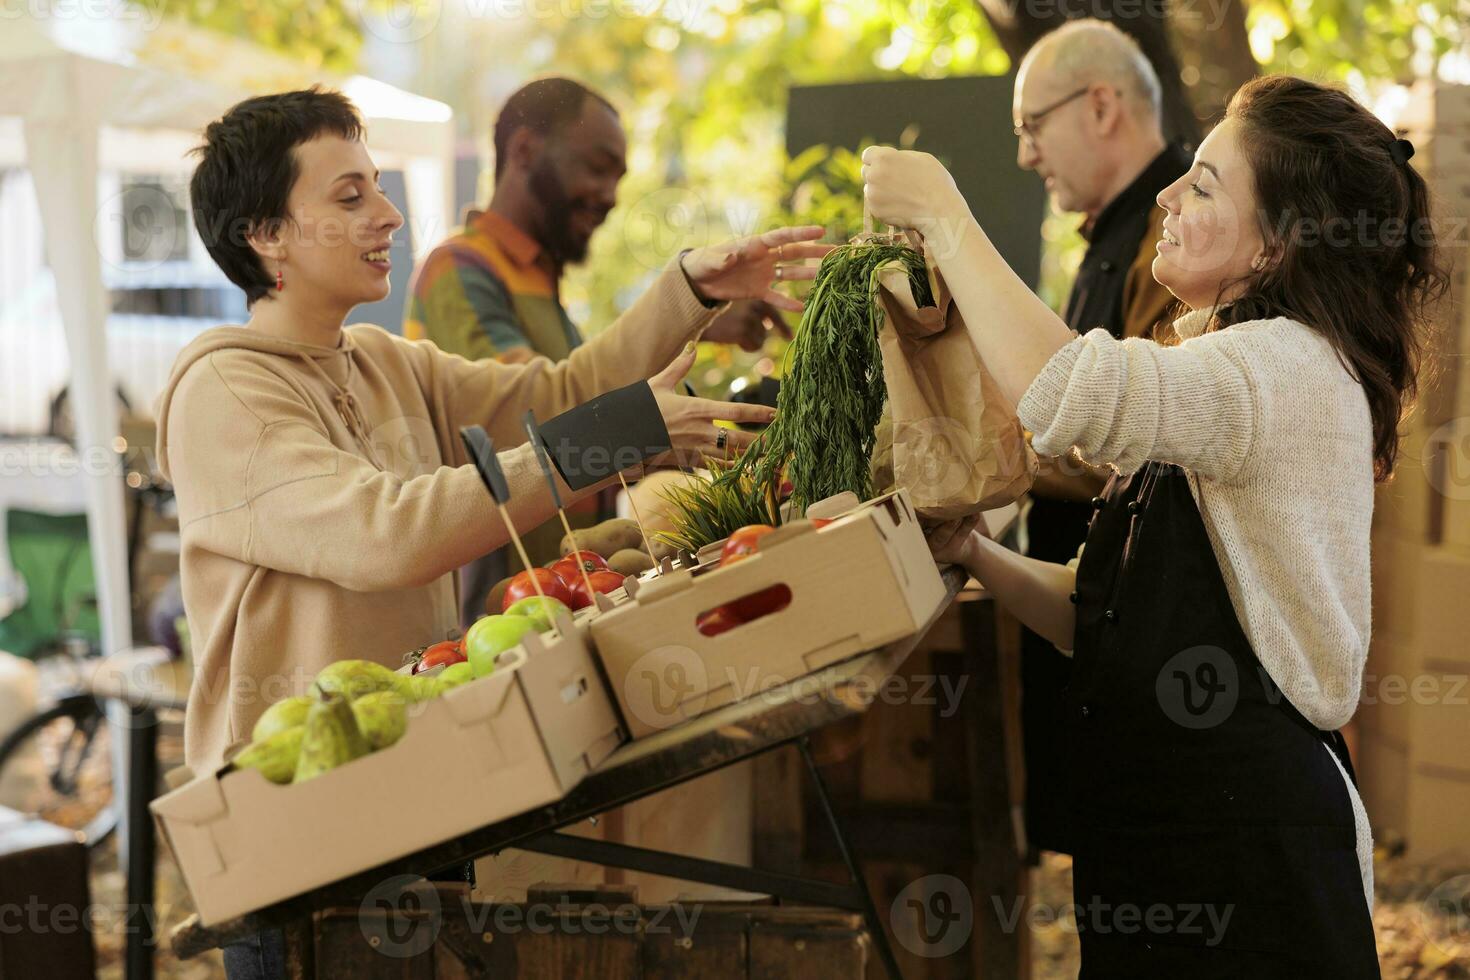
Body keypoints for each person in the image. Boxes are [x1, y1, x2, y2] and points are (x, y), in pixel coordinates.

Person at [159, 87, 828, 979]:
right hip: (299, 837)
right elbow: (384, 535)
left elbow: (557, 397)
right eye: (350, 197)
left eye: (380, 189)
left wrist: (690, 287)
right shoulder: (224, 394)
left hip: (410, 796)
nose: (388, 214)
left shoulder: (385, 361)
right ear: (266, 235)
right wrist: (608, 440)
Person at [864, 73, 1444, 974]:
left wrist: (948, 217)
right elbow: (1102, 616)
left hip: (1251, 859)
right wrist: (974, 552)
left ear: (1279, 244)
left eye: (1205, 185)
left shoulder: (1281, 368)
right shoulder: (1227, 363)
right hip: (1164, 847)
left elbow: (1066, 394)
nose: (1167, 196)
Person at [406, 76, 793, 623]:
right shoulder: (459, 270)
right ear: (524, 151)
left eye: (617, 176)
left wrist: (699, 323)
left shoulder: (539, 282)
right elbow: (540, 420)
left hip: (566, 591)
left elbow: (582, 386)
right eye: (596, 166)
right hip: (507, 604)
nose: (611, 195)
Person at [1009, 19, 1194, 858]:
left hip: (1156, 657)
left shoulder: (1175, 242)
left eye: (1031, 127)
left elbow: (1142, 440)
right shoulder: (1112, 235)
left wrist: (995, 450)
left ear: (1102, 106)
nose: (1024, 155)